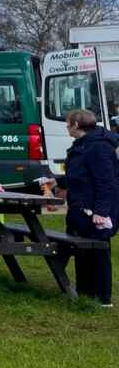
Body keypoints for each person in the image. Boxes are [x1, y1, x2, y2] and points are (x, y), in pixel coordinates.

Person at [39, 109, 119, 306]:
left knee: (99, 250)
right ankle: (85, 292)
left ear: (76, 125)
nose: (67, 128)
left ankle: (102, 297)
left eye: (67, 124)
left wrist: (101, 211)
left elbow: (105, 182)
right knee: (81, 248)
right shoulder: (84, 145)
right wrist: (57, 183)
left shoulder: (98, 147)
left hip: (95, 209)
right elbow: (78, 175)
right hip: (80, 207)